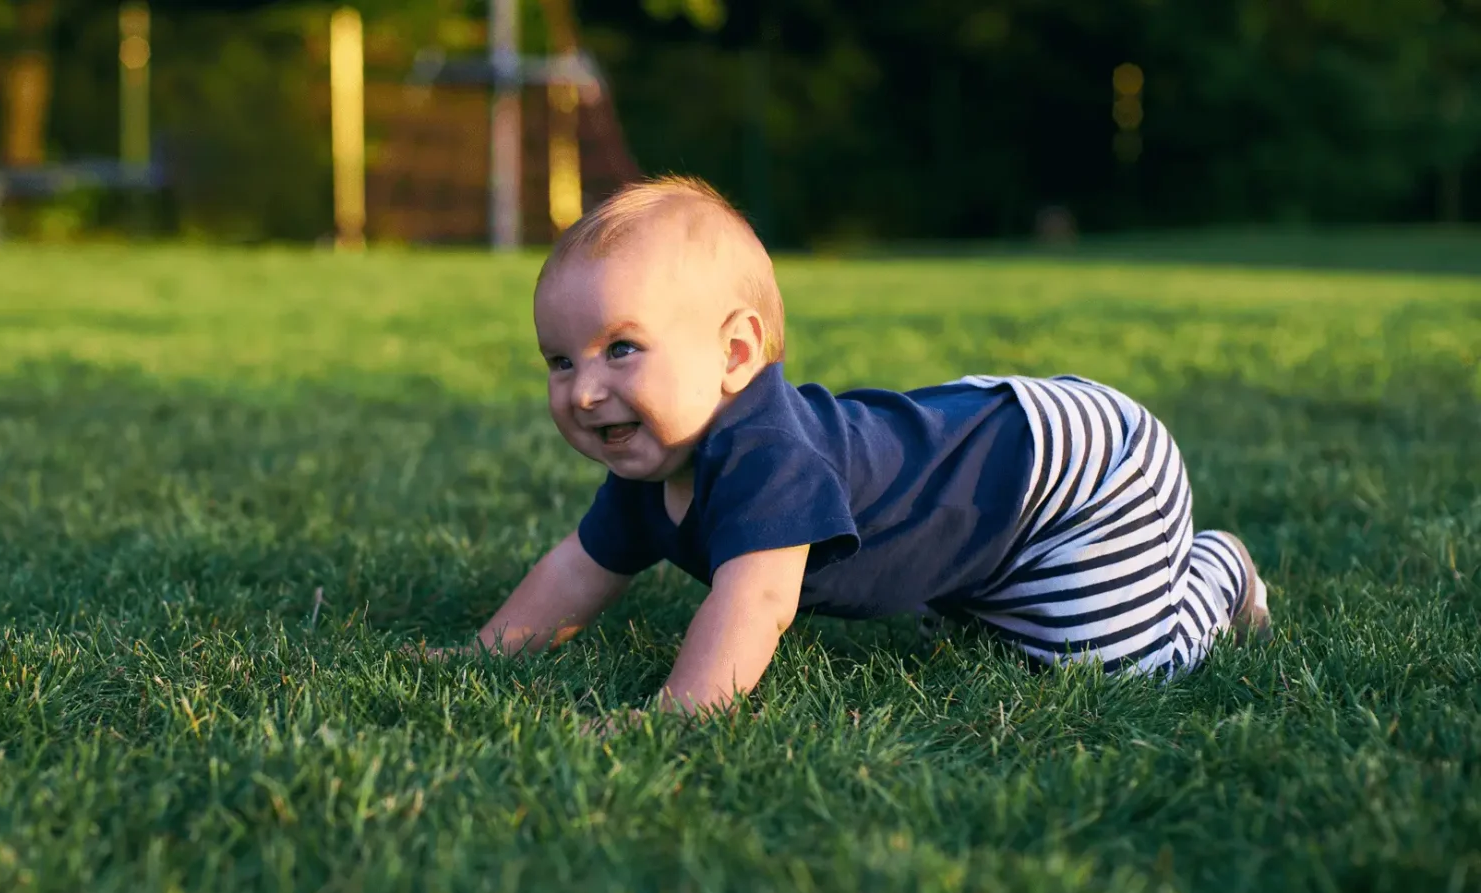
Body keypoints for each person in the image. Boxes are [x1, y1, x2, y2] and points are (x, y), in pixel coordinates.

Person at [421, 176, 1270, 725]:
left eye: (621, 350)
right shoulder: (652, 458)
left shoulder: (762, 456)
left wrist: (682, 711)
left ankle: (1217, 572)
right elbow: (579, 567)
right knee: (1010, 636)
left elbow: (757, 603)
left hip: (1082, 469)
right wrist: (483, 655)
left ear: (736, 355)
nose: (584, 390)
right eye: (560, 362)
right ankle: (1000, 576)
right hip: (988, 480)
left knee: (1115, 670)